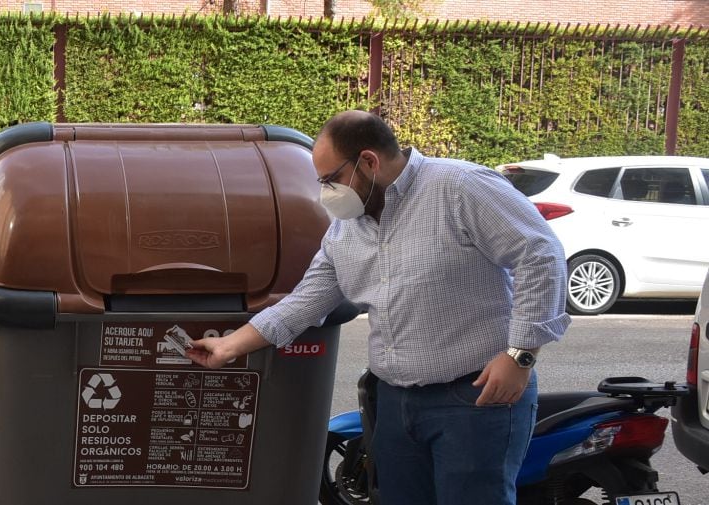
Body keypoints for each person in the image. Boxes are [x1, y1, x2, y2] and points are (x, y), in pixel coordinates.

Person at [187, 110, 569, 505]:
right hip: (395, 403)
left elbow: (540, 255)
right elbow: (309, 296)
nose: (325, 192)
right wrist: (232, 345)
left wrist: (520, 356)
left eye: (331, 179)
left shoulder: (460, 187)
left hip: (473, 400)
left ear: (368, 162)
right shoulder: (347, 226)